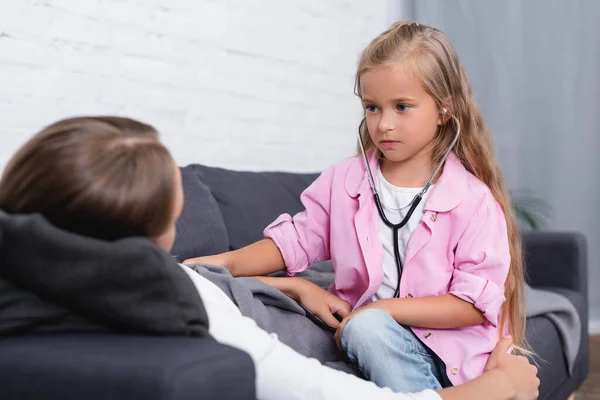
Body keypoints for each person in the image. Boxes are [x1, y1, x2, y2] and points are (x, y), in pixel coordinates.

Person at [0, 116, 538, 400]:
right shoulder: (190, 309)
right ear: (154, 240)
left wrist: (298, 286)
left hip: (303, 300)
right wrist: (493, 391)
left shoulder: (79, 277)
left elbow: (193, 273)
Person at [184, 20, 527, 393]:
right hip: (360, 337)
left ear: (444, 109)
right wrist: (221, 265)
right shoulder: (345, 181)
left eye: (402, 107)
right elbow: (296, 240)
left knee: (367, 329)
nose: (384, 124)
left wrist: (381, 312)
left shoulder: (474, 201)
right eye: (373, 108)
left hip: (445, 353)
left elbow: (472, 305)